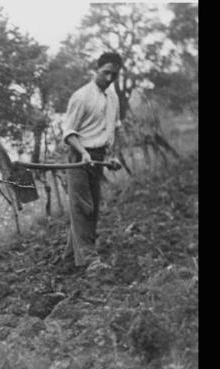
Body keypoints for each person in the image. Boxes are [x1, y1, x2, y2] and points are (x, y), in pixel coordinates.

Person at [60, 52, 123, 274]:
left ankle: (69, 260)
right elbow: (69, 132)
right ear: (96, 70)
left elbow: (114, 128)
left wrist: (112, 155)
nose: (108, 78)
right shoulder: (81, 96)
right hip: (79, 158)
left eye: (113, 75)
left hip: (98, 158)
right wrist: (83, 152)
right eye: (105, 73)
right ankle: (89, 259)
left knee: (92, 208)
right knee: (82, 208)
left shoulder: (112, 97)